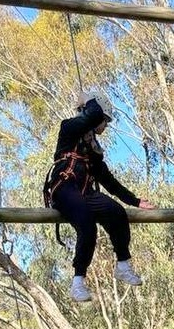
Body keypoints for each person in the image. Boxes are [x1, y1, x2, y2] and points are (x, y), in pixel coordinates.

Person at [44, 89, 154, 301]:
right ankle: (77, 281)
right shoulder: (68, 128)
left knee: (117, 212)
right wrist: (88, 99)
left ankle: (123, 264)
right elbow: (93, 114)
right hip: (64, 188)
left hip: (85, 193)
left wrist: (135, 200)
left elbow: (108, 181)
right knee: (86, 221)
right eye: (104, 119)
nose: (104, 125)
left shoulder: (93, 150)